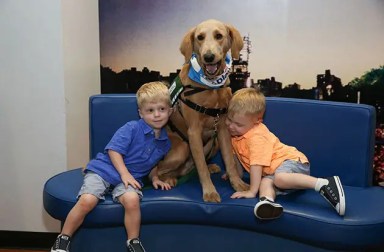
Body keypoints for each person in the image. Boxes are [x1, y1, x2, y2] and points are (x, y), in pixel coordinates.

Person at [51, 82, 174, 252]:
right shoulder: (132, 128)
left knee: (132, 200)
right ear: (141, 113)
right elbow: (113, 151)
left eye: (161, 109)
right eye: (150, 110)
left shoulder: (165, 142)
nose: (157, 115)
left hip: (128, 180)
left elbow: (153, 162)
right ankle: (63, 238)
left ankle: (133, 241)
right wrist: (124, 174)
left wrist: (155, 178)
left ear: (170, 110)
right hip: (105, 171)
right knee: (88, 200)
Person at [225, 88, 346, 220]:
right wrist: (233, 174)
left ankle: (324, 183)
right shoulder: (236, 136)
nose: (231, 126)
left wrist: (251, 191)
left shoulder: (256, 137)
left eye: (238, 124)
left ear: (257, 121)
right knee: (265, 182)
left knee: (279, 179)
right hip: (277, 174)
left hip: (292, 161)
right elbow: (237, 159)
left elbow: (256, 165)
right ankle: (268, 203)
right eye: (229, 120)